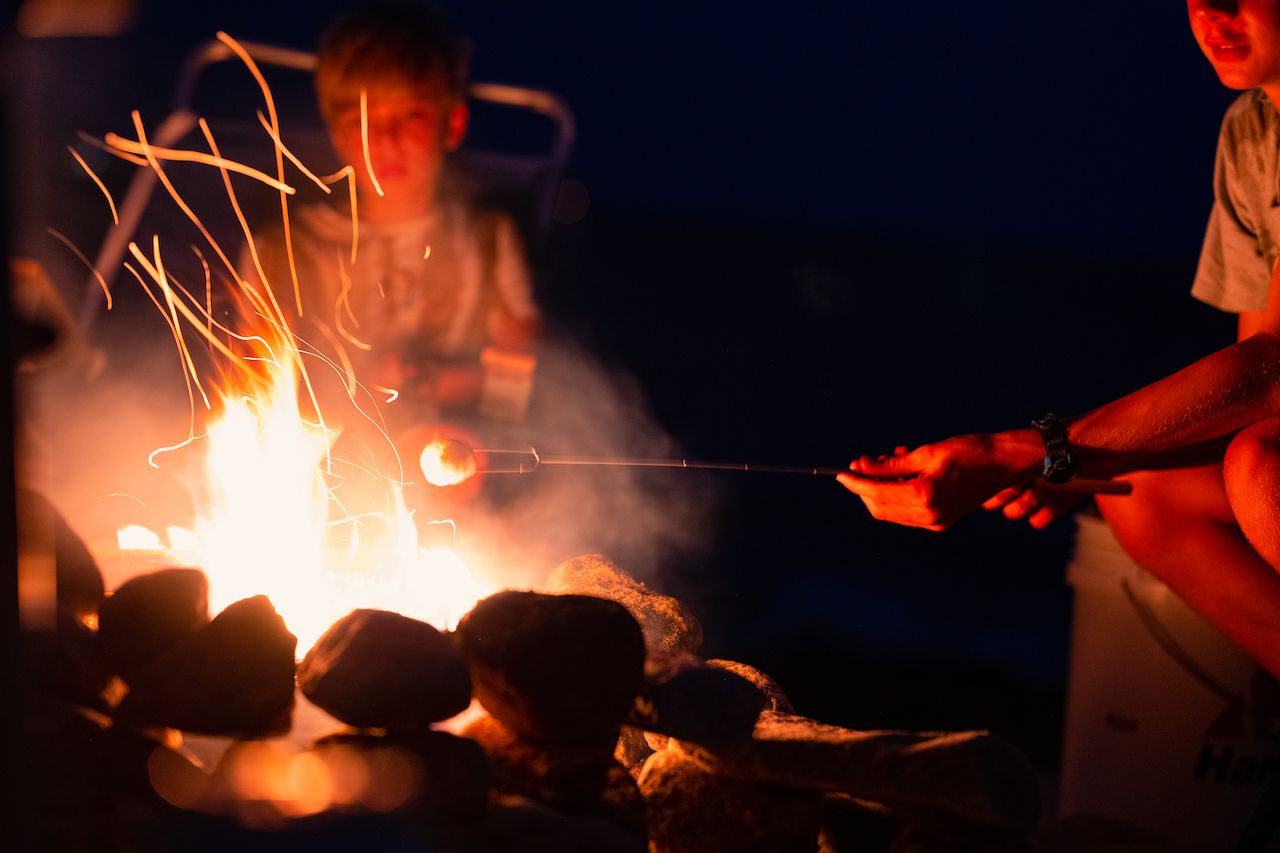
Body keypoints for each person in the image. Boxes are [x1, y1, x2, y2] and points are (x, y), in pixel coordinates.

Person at [839, 0, 1280, 679]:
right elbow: (1255, 391)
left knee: (1259, 464)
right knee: (1144, 499)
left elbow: (1273, 372)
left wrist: (1026, 451)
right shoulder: (1253, 131)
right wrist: (1070, 462)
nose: (1213, 13)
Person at [246, 4, 540, 421]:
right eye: (363, 121)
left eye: (410, 115)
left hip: (457, 448)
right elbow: (257, 391)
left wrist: (419, 380)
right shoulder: (287, 250)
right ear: (338, 137)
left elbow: (523, 387)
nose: (386, 140)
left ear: (453, 124)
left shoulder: (488, 242)